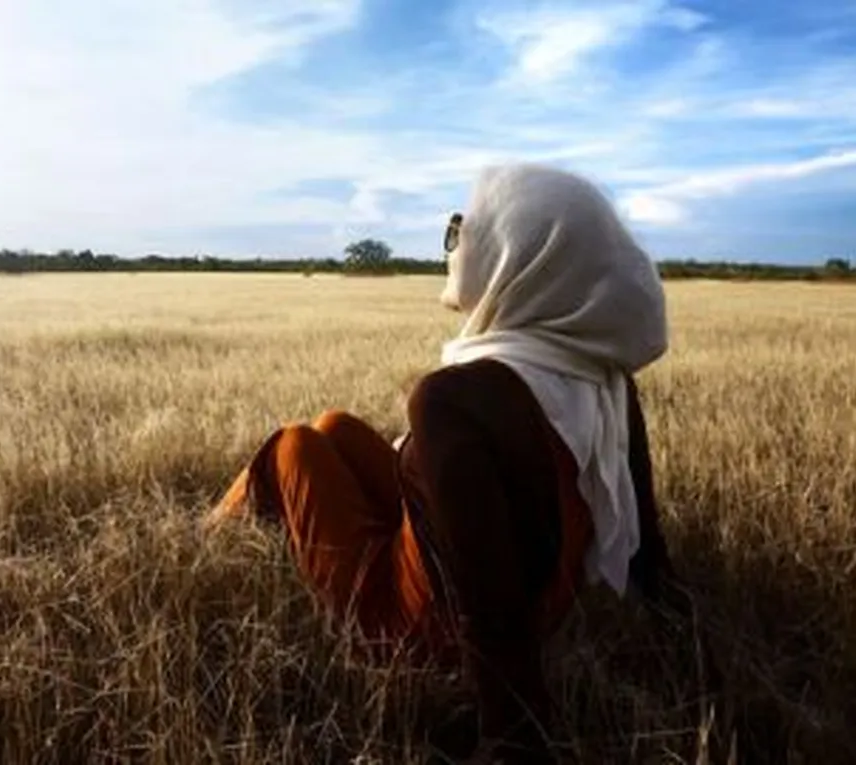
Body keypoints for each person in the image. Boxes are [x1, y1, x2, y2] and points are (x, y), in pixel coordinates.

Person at [204, 164, 694, 763]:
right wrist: (694, 660)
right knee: (335, 426)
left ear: (520, 255)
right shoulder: (601, 378)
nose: (454, 245)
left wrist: (512, 738)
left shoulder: (455, 399)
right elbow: (650, 557)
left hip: (415, 632)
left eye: (464, 229)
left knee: (294, 446)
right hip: (527, 594)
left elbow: (491, 621)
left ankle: (205, 543)